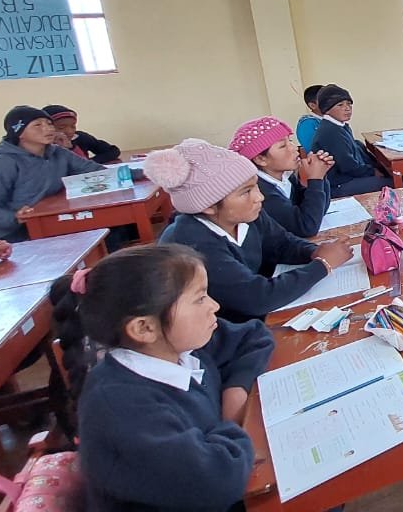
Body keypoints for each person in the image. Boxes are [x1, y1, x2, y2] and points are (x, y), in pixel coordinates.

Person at [49, 244, 273, 511]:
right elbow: (217, 481)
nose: (215, 305)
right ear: (144, 327)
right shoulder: (119, 408)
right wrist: (231, 424)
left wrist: (234, 390)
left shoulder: (179, 347)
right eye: (200, 298)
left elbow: (254, 336)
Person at [147, 139, 352, 323]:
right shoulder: (192, 243)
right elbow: (257, 297)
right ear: (209, 205)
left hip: (257, 316)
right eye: (246, 192)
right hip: (225, 330)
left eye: (255, 187)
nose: (259, 197)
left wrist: (312, 251)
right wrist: (322, 265)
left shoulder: (245, 215)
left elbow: (282, 244)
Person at [0, 106, 105, 242]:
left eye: (49, 123)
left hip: (52, 223)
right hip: (14, 237)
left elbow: (96, 171)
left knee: (107, 229)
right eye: (38, 125)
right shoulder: (1, 164)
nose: (49, 129)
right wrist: (16, 217)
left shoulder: (58, 153)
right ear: (19, 133)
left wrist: (126, 175)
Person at [229, 116, 334, 238]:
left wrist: (320, 173)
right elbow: (306, 227)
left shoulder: (285, 177)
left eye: (290, 141)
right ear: (260, 159)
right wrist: (315, 180)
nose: (294, 148)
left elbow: (318, 211)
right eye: (283, 146)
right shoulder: (261, 192)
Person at [310, 84, 391, 198]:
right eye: (340, 105)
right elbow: (348, 166)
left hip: (347, 177)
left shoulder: (340, 126)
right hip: (338, 184)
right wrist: (373, 172)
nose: (347, 108)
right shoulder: (331, 132)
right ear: (327, 110)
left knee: (390, 173)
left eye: (349, 104)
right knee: (394, 184)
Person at [41, 105, 121, 163]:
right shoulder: (40, 146)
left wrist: (89, 162)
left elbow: (113, 151)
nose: (69, 131)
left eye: (73, 126)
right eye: (61, 128)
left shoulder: (80, 138)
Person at [295, 84, 325, 150]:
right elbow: (314, 150)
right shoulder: (307, 124)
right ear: (312, 105)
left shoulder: (333, 120)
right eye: (325, 101)